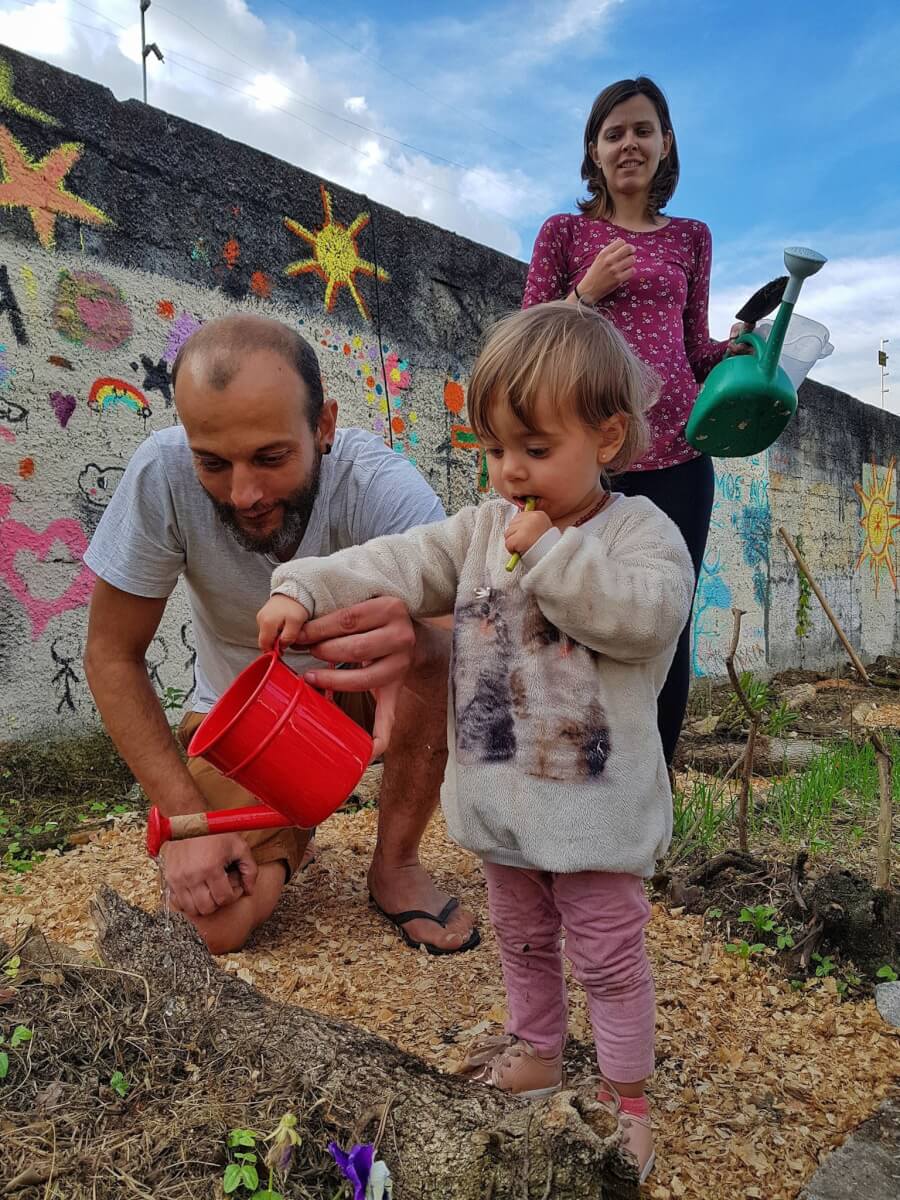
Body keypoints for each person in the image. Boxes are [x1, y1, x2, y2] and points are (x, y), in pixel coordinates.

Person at [256, 302, 695, 1184]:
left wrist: (550, 555)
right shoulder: (482, 528)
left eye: (536, 449)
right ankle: (537, 1047)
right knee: (523, 940)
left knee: (608, 956)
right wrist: (302, 586)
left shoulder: (641, 535)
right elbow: (394, 559)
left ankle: (626, 1098)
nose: (511, 473)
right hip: (504, 802)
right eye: (496, 450)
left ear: (608, 438)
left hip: (597, 816)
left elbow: (645, 623)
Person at [83, 313, 478, 958]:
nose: (243, 493)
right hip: (244, 720)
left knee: (430, 652)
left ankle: (396, 863)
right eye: (212, 462)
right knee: (210, 928)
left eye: (271, 458)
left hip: (362, 699)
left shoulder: (379, 485)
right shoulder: (160, 474)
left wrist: (412, 643)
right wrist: (188, 824)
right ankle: (283, 823)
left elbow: (462, 643)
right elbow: (109, 654)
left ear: (323, 427)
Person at [522, 76, 751, 767]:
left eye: (643, 130)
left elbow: (694, 349)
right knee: (574, 611)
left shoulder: (691, 238)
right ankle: (578, 774)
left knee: (665, 619)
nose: (630, 143)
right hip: (592, 458)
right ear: (593, 150)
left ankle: (653, 785)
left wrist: (738, 346)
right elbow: (526, 337)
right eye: (614, 132)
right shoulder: (566, 232)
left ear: (665, 144)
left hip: (682, 456)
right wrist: (585, 294)